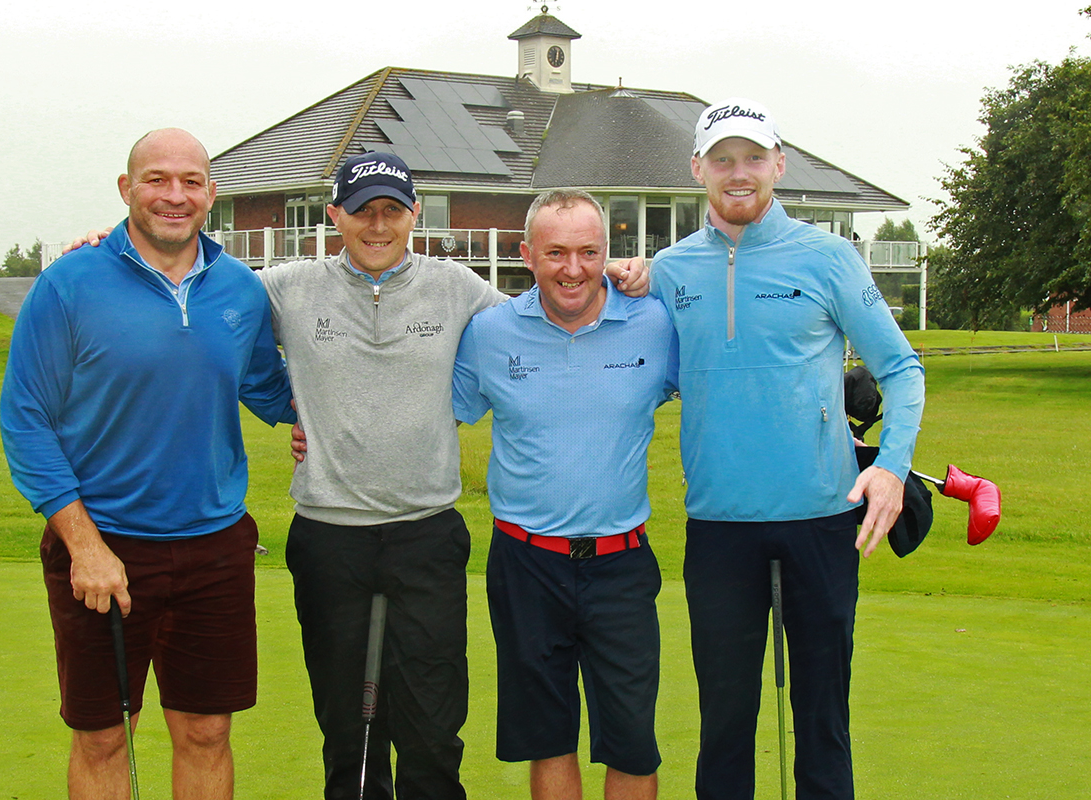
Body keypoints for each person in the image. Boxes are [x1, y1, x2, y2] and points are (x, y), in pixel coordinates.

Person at [259, 155, 650, 800]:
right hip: (329, 534)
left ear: (414, 215)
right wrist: (287, 407)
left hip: (427, 533)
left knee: (433, 728)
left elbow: (543, 309)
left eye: (392, 210)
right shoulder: (287, 287)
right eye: (362, 211)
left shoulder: (458, 288)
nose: (378, 225)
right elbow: (208, 299)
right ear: (335, 216)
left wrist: (610, 271)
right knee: (347, 731)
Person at [0, 128, 295, 800]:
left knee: (207, 732)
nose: (174, 195)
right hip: (103, 545)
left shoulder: (239, 289)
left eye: (190, 181)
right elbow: (26, 419)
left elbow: (268, 389)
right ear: (125, 189)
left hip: (214, 545)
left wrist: (334, 416)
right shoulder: (68, 284)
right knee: (104, 737)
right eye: (156, 178)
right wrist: (85, 547)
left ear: (211, 193)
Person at [650, 99, 925, 800]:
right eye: (722, 159)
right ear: (697, 170)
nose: (738, 172)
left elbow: (901, 368)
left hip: (821, 521)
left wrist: (891, 470)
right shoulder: (671, 270)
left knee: (823, 724)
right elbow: (652, 374)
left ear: (778, 164)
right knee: (723, 729)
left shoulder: (828, 257)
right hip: (719, 527)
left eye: (752, 157)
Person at [451, 190, 677, 800]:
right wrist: (319, 427)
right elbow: (434, 416)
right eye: (555, 253)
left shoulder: (656, 323)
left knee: (632, 742)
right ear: (527, 254)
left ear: (609, 252)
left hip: (621, 564)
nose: (573, 269)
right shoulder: (489, 333)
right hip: (525, 564)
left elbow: (723, 388)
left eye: (588, 252)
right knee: (548, 740)